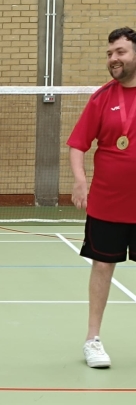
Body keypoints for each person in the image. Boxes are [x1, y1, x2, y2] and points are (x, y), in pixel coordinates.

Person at [68, 27, 136, 369]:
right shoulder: (102, 97)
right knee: (102, 266)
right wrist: (80, 182)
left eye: (120, 52)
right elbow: (78, 144)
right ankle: (92, 339)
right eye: (110, 54)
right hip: (108, 203)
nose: (113, 59)